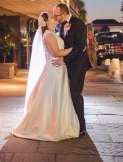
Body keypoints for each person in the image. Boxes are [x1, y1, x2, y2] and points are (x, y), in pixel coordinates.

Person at [12, 12, 80, 141]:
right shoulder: (48, 35)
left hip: (58, 68)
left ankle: (59, 123)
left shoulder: (53, 33)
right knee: (52, 97)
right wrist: (75, 49)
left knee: (57, 96)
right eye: (51, 17)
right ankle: (49, 127)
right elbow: (56, 52)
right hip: (54, 69)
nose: (54, 17)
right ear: (47, 22)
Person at [52, 3, 91, 136]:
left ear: (64, 14)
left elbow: (80, 47)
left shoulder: (79, 24)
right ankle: (70, 122)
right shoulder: (60, 25)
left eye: (56, 15)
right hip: (66, 64)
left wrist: (64, 60)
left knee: (75, 93)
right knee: (66, 93)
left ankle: (81, 126)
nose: (54, 17)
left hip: (78, 64)